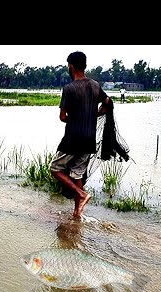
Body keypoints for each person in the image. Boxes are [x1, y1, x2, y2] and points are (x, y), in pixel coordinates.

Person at [50, 51, 110, 219]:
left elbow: (62, 117)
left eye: (68, 66)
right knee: (77, 173)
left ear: (71, 66)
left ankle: (81, 194)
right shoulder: (95, 85)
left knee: (55, 168)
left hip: (73, 138)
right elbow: (107, 104)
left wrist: (76, 117)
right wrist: (93, 115)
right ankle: (77, 213)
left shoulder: (69, 88)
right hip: (89, 138)